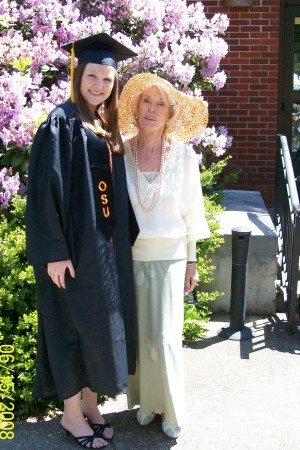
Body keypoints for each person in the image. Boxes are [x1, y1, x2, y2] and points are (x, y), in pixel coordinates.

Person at [25, 33, 138, 449]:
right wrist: (54, 252)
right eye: (93, 76)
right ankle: (71, 416)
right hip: (71, 251)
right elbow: (43, 191)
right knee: (71, 327)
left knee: (99, 329)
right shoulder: (60, 122)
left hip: (102, 251)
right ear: (78, 74)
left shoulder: (103, 124)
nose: (100, 86)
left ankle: (91, 406)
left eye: (107, 79)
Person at [118, 73, 210, 439]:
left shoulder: (185, 156)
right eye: (146, 101)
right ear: (136, 108)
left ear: (171, 112)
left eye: (161, 104)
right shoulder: (120, 152)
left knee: (166, 338)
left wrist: (191, 259)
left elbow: (193, 212)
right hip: (131, 260)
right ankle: (147, 404)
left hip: (171, 259)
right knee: (141, 339)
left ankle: (171, 409)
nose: (152, 109)